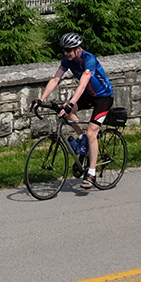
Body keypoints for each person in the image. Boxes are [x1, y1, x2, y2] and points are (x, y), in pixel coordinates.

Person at [34, 31, 113, 190]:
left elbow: (83, 83)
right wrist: (41, 99)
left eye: (69, 50)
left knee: (92, 132)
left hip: (103, 97)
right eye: (64, 50)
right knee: (67, 111)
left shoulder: (88, 59)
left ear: (78, 48)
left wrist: (71, 102)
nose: (66, 53)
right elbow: (56, 79)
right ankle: (81, 137)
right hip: (89, 95)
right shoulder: (67, 60)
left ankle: (91, 172)